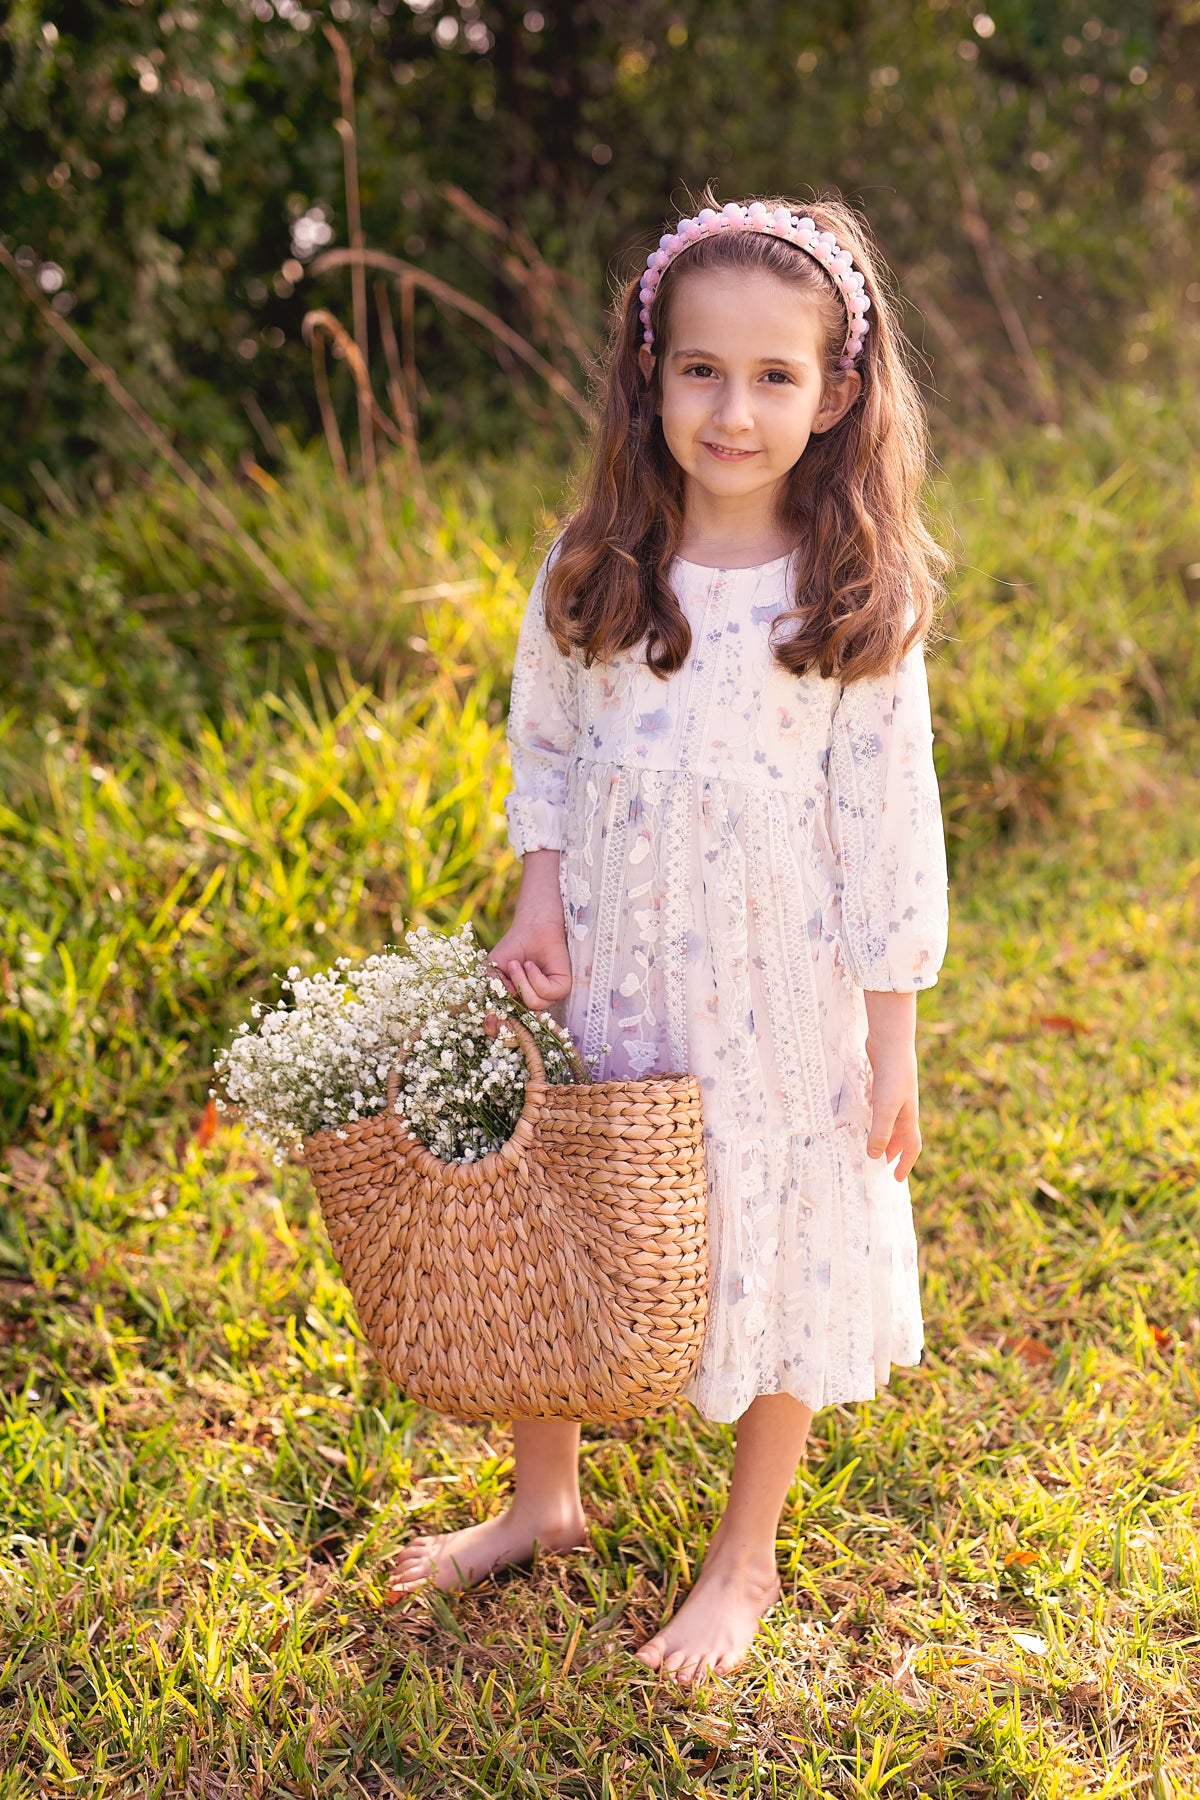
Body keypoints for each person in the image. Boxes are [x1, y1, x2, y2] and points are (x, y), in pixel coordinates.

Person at [388, 193, 950, 1685]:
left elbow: (891, 827)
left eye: (775, 377)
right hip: (619, 962)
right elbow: (548, 750)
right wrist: (537, 892)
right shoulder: (595, 563)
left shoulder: (850, 598)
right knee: (574, 1201)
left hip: (779, 988)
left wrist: (892, 1041)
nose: (734, 407)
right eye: (702, 369)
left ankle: (744, 1557)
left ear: (836, 394)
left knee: (777, 1217)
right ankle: (543, 1497)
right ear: (650, 372)